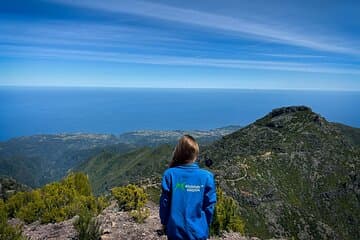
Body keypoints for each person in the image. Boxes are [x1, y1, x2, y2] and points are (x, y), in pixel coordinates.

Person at [159, 135, 217, 240]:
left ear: (178, 153)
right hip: (198, 232)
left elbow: (164, 203)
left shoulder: (170, 174)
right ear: (195, 154)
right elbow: (209, 207)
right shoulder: (207, 177)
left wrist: (165, 223)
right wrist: (205, 226)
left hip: (175, 232)